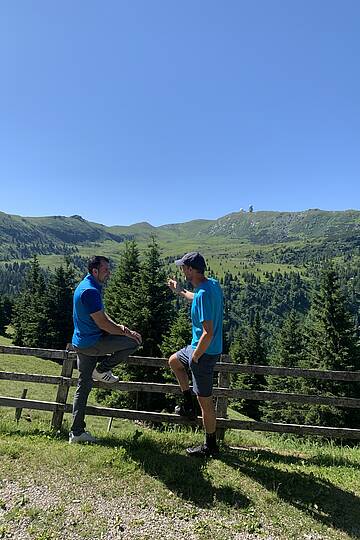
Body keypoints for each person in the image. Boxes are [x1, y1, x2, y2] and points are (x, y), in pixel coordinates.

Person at [69, 255, 142, 444]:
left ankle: (76, 433)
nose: (109, 273)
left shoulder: (86, 285)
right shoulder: (91, 291)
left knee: (82, 388)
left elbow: (100, 314)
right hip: (92, 343)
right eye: (105, 270)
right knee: (134, 342)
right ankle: (101, 370)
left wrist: (120, 327)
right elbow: (102, 323)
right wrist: (127, 333)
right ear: (95, 271)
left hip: (81, 342)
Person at [167, 251, 223, 457]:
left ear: (191, 269)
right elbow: (196, 298)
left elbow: (208, 332)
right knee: (173, 361)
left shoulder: (203, 294)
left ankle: (211, 446)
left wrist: (196, 357)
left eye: (183, 267)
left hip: (203, 353)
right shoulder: (212, 285)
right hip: (199, 347)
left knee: (206, 403)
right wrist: (180, 291)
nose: (181, 270)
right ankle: (188, 404)